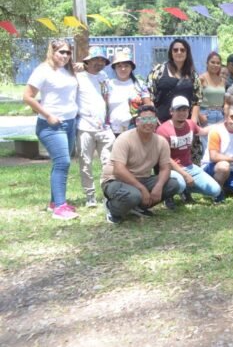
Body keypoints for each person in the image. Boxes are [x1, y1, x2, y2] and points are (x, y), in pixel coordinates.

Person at [23, 39, 80, 220]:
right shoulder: (43, 70)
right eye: (61, 52)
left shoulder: (68, 70)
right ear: (52, 52)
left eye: (68, 53)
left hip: (70, 122)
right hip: (52, 125)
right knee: (63, 162)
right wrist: (48, 115)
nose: (64, 56)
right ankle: (60, 208)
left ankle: (55, 202)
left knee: (61, 163)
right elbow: (27, 96)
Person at [101, 105, 180, 224]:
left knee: (172, 184)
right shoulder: (124, 139)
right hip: (116, 180)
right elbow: (118, 170)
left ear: (156, 122)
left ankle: (139, 207)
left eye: (152, 120)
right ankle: (112, 208)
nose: (149, 123)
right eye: (145, 119)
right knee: (134, 195)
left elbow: (165, 168)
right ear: (137, 121)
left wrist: (158, 187)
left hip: (143, 178)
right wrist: (142, 188)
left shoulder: (161, 142)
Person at [155, 96, 222, 204]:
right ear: (171, 111)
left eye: (185, 109)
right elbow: (165, 158)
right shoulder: (163, 130)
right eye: (178, 110)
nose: (182, 113)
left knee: (215, 190)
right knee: (180, 184)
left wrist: (222, 124)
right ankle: (168, 194)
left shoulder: (190, 124)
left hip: (189, 166)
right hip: (170, 169)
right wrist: (185, 175)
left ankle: (185, 190)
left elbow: (203, 131)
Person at [76, 47, 115, 208]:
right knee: (85, 162)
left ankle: (109, 193)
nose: (99, 64)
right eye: (96, 60)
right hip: (84, 127)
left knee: (108, 162)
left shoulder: (104, 76)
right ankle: (90, 196)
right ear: (88, 61)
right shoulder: (78, 77)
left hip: (104, 128)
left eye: (102, 61)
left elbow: (107, 98)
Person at [147, 38, 201, 123]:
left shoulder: (193, 75)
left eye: (182, 50)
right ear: (171, 53)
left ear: (187, 53)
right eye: (175, 50)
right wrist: (155, 120)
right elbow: (149, 95)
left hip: (185, 124)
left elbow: (197, 101)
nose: (179, 52)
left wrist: (193, 123)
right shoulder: (158, 70)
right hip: (161, 122)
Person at [107, 51, 152, 136]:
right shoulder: (109, 84)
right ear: (114, 68)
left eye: (126, 66)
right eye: (119, 66)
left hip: (134, 129)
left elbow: (148, 107)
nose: (123, 69)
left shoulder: (140, 84)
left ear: (131, 68)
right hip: (111, 131)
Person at [198, 51, 226, 157]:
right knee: (207, 149)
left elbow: (224, 100)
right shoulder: (201, 78)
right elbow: (194, 99)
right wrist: (200, 116)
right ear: (207, 63)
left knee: (220, 146)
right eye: (212, 62)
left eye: (218, 63)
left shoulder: (222, 80)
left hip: (220, 115)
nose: (215, 65)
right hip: (207, 115)